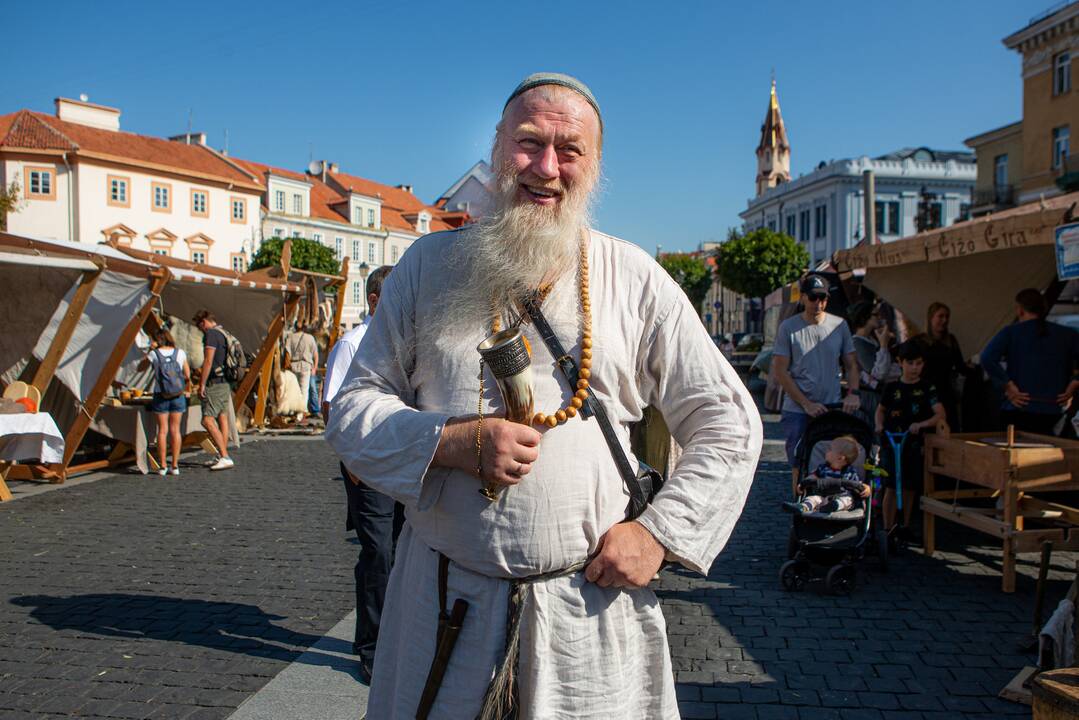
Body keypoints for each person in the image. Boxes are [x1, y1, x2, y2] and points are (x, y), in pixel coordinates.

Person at [325, 73, 762, 717]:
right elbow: (354, 407)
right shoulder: (426, 267)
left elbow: (728, 420)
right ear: (498, 148)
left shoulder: (634, 276)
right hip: (441, 602)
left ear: (595, 165)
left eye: (571, 150)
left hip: (587, 614)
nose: (547, 168)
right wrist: (448, 442)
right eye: (528, 143)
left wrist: (660, 534)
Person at [321, 265, 403, 682]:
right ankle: (371, 647)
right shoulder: (352, 344)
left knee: (402, 550)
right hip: (368, 466)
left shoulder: (405, 340)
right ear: (374, 300)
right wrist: (353, 463)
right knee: (379, 554)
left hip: (404, 463)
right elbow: (332, 407)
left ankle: (399, 636)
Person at [772, 274, 861, 493]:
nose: (818, 303)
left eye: (823, 298)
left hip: (831, 407)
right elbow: (780, 371)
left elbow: (851, 365)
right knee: (798, 462)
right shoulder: (789, 328)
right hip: (798, 409)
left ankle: (831, 503)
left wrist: (853, 393)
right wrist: (806, 403)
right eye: (813, 298)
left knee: (834, 460)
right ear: (803, 298)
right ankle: (799, 506)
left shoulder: (839, 326)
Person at [981, 288, 1079, 435]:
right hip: (1052, 411)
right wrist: (1074, 384)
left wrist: (1007, 385)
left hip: (1018, 407)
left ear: (1020, 310)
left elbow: (987, 358)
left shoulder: (1011, 332)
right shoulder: (1068, 334)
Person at [875, 341, 945, 535]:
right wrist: (879, 425)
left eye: (919, 363)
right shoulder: (891, 388)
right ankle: (888, 527)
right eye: (911, 363)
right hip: (891, 441)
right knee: (890, 484)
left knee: (909, 486)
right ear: (901, 362)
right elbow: (880, 411)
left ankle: (904, 525)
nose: (915, 368)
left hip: (913, 443)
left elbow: (940, 414)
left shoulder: (926, 388)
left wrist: (921, 425)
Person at [139, 328, 191, 476]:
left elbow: (139, 368)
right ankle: (174, 466)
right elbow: (187, 374)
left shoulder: (154, 354)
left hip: (160, 394)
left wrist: (150, 350)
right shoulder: (180, 353)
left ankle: (162, 466)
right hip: (177, 395)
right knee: (175, 430)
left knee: (162, 431)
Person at [913, 302, 967, 431]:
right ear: (931, 317)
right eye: (940, 316)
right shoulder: (920, 341)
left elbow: (960, 366)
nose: (944, 320)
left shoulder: (951, 340)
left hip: (946, 391)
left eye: (947, 316)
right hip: (925, 392)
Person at [782, 436, 869, 515]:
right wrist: (804, 484)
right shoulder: (822, 468)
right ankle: (803, 507)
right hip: (823, 495)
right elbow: (813, 477)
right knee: (813, 498)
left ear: (840, 458)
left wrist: (866, 488)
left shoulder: (850, 472)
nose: (826, 451)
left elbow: (857, 484)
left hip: (842, 496)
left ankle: (834, 506)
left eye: (830, 450)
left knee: (847, 500)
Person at [192, 310, 234, 471]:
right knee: (222, 417)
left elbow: (208, 360)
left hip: (215, 382)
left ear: (203, 322)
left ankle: (224, 456)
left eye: (199, 326)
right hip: (225, 381)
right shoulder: (224, 332)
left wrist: (202, 383)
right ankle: (221, 454)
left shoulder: (211, 335)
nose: (200, 330)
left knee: (207, 420)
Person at [847, 301, 898, 425]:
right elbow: (878, 374)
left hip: (877, 395)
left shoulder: (871, 340)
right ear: (865, 318)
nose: (880, 318)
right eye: (876, 314)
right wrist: (884, 345)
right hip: (869, 398)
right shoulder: (857, 343)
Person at [285, 325, 319, 422]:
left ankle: (294, 411)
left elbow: (287, 352)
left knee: (294, 390)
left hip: (294, 365)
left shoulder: (290, 337)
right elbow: (316, 354)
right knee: (304, 390)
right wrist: (315, 368)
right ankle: (301, 413)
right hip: (306, 366)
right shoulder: (310, 338)